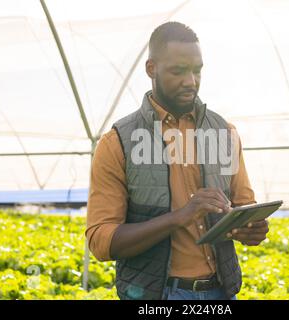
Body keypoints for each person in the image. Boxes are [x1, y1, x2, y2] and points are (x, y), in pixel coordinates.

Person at [86, 21, 269, 300]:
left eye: (197, 71)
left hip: (221, 292)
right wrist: (180, 216)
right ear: (151, 69)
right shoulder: (118, 142)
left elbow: (244, 205)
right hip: (158, 294)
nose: (191, 81)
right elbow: (101, 241)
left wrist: (252, 228)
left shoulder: (224, 133)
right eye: (178, 71)